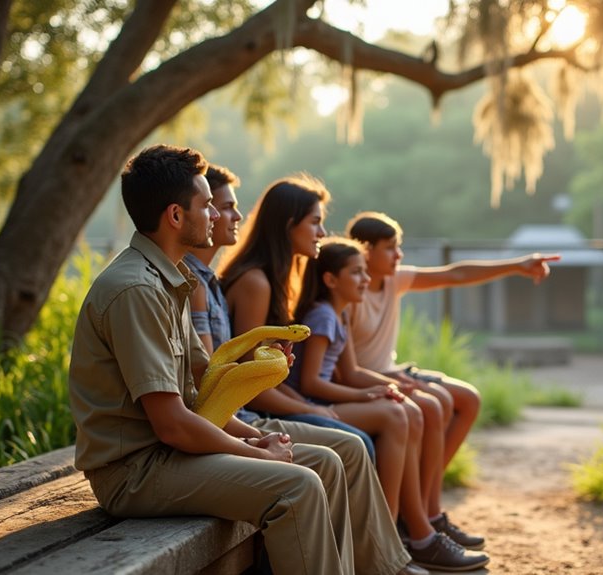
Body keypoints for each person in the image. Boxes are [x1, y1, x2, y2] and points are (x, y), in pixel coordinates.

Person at [67, 145, 403, 575]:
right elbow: (171, 423)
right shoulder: (136, 290)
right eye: (207, 205)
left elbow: (208, 388)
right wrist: (256, 454)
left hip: (173, 454)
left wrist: (252, 437)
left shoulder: (172, 281)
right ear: (175, 215)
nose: (215, 216)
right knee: (297, 485)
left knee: (327, 460)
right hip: (137, 473)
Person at [184, 164, 425, 575]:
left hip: (245, 416)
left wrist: (316, 401)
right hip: (243, 417)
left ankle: (389, 555)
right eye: (315, 222)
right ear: (289, 224)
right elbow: (231, 384)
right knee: (351, 445)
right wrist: (310, 411)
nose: (321, 232)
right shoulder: (251, 281)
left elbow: (246, 372)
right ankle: (391, 557)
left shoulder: (261, 280)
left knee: (355, 442)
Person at [346, 210, 561, 548]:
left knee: (468, 399)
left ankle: (427, 508)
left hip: (395, 370)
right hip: (368, 380)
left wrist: (518, 264)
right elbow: (344, 369)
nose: (398, 255)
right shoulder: (348, 292)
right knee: (436, 403)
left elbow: (456, 274)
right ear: (365, 250)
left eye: (399, 247)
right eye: (390, 248)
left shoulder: (394, 280)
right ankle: (421, 519)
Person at [287, 237, 489, 572]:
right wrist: (364, 396)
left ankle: (403, 530)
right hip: (310, 404)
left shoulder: (339, 314)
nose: (366, 280)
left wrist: (390, 385)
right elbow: (310, 383)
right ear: (330, 279)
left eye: (365, 272)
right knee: (398, 413)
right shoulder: (322, 316)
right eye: (357, 273)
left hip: (328, 397)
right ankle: (395, 538)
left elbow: (350, 371)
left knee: (407, 407)